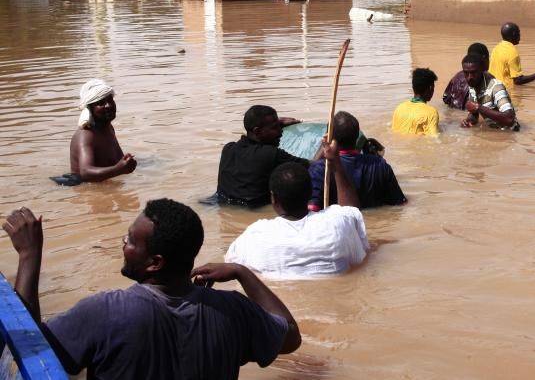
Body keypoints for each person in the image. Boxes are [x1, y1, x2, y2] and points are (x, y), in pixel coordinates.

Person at [2, 200, 301, 379]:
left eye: (130, 241)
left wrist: (29, 257)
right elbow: (290, 336)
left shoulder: (105, 312)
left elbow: (30, 353)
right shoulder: (234, 310)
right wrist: (242, 272)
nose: (123, 244)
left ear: (155, 263)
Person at [225, 143, 368, 278]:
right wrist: (336, 162)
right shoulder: (336, 224)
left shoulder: (254, 235)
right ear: (311, 193)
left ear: (273, 199)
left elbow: (231, 262)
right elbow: (352, 211)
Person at [309, 111, 406, 210]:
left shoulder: (320, 169)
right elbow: (399, 203)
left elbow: (312, 208)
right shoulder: (380, 164)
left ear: (329, 138)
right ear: (357, 136)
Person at [216, 105, 306, 207]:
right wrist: (325, 145)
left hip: (220, 204)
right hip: (253, 209)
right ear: (257, 131)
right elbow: (312, 165)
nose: (280, 132)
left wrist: (276, 124)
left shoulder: (228, 149)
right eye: (274, 127)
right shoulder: (270, 153)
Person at [55, 79, 136, 186]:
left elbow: (117, 161)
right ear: (90, 109)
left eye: (110, 100)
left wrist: (127, 163)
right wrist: (118, 170)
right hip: (85, 188)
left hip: (106, 185)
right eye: (101, 103)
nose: (108, 106)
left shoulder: (107, 127)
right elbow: (85, 173)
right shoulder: (85, 135)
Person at [461, 53, 520, 131]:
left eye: (473, 72)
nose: (469, 77)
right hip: (495, 133)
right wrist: (469, 120)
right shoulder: (472, 84)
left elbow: (509, 119)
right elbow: (474, 113)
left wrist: (478, 107)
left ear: (482, 70)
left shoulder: (496, 87)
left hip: (510, 134)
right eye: (466, 73)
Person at [489, 22, 535, 89]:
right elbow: (518, 81)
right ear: (514, 34)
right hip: (507, 92)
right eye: (519, 32)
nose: (520, 35)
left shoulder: (496, 48)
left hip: (494, 90)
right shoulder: (512, 53)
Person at [393, 68, 440, 136]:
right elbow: (435, 139)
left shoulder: (399, 108)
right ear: (430, 88)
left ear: (413, 87)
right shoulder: (431, 113)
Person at [442, 43, 488, 110]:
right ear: (484, 59)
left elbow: (445, 98)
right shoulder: (483, 78)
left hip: (453, 112)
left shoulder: (457, 76)